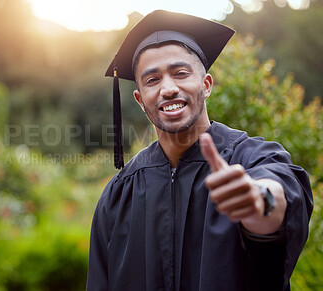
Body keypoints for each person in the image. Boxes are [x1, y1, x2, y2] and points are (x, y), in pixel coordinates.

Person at [86, 10, 313, 291]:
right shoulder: (120, 194)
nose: (168, 89)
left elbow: (280, 187)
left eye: (180, 73)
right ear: (140, 100)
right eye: (152, 80)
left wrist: (260, 199)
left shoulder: (250, 159)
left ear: (206, 85)